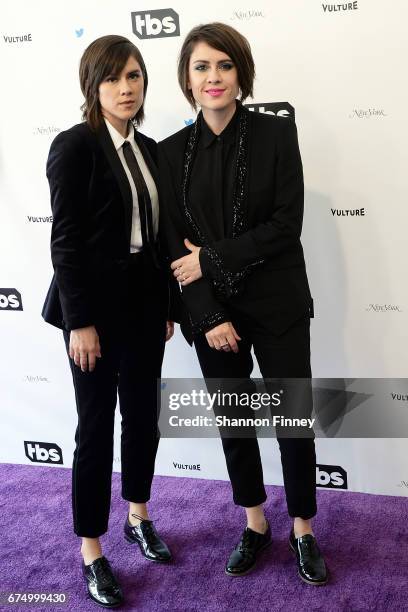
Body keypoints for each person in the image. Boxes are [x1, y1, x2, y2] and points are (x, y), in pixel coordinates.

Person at [158, 22, 328, 585]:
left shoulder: (277, 136)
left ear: (241, 73)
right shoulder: (169, 153)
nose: (213, 77)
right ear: (187, 77)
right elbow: (173, 250)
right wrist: (208, 315)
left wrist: (210, 257)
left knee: (291, 422)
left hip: (278, 304)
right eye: (202, 67)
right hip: (214, 317)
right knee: (235, 424)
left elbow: (286, 225)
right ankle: (255, 523)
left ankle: (303, 527)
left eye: (224, 66)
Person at [42, 35, 176, 608]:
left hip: (146, 308)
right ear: (92, 85)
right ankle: (92, 549)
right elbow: (66, 242)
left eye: (135, 76)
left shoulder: (149, 148)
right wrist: (80, 322)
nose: (127, 88)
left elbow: (159, 239)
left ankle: (138, 516)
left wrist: (168, 306)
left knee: (142, 418)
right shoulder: (74, 146)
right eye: (114, 78)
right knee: (95, 429)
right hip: (93, 316)